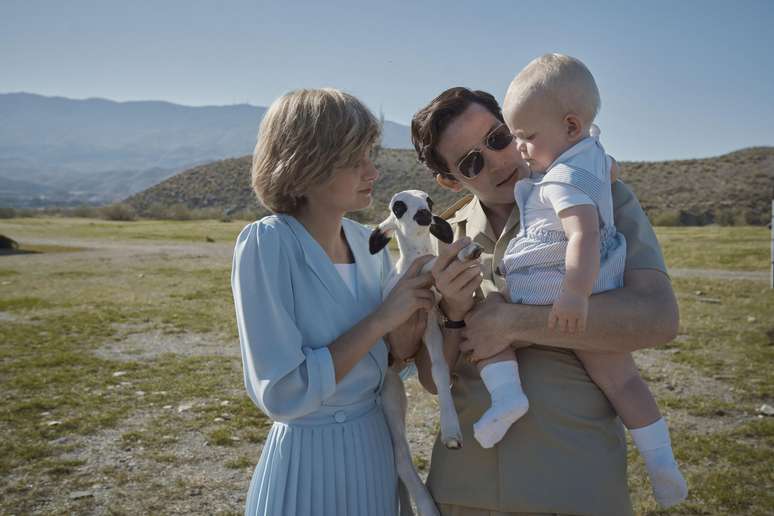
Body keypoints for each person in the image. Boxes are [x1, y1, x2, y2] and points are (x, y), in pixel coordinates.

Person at [409, 86, 680, 516]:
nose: (498, 160)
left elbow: (657, 318)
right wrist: (456, 317)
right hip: (466, 490)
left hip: (575, 482)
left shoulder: (598, 196)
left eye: (497, 138)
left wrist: (516, 321)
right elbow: (429, 378)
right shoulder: (441, 239)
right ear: (449, 180)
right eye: (471, 162)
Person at [231, 88, 433, 516]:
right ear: (304, 165)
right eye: (354, 160)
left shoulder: (369, 243)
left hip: (375, 455)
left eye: (370, 155)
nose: (373, 171)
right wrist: (381, 321)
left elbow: (396, 363)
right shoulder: (268, 244)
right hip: (308, 464)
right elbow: (283, 393)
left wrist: (421, 310)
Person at [496, 53, 687, 507]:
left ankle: (504, 398)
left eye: (526, 137)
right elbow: (609, 170)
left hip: (558, 286)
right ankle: (661, 462)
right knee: (623, 383)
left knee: (491, 325)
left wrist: (575, 296)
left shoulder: (560, 180)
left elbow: (582, 233)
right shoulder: (593, 155)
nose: (520, 148)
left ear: (570, 126)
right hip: (596, 282)